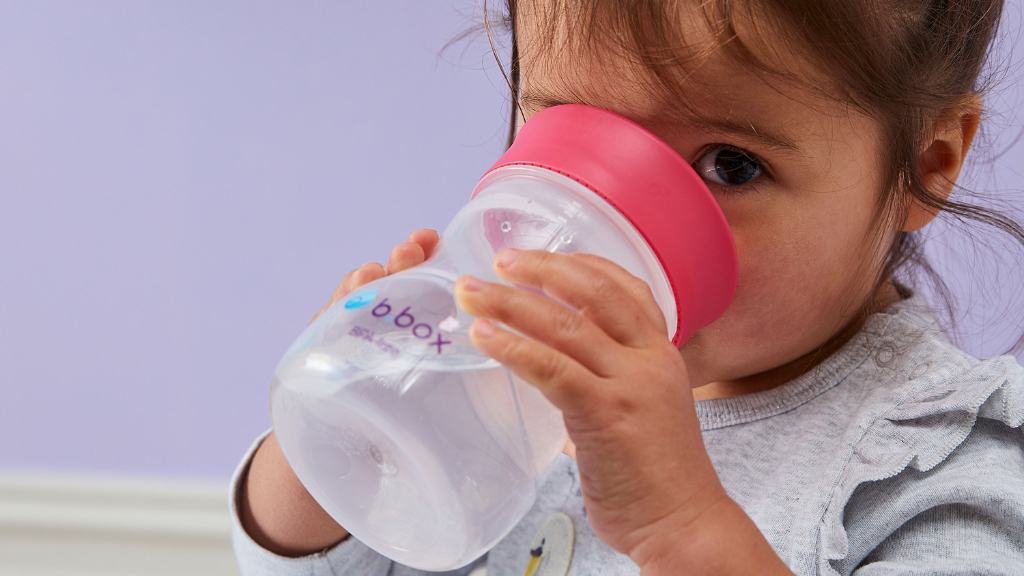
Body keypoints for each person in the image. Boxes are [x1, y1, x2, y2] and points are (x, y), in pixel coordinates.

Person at [231, 0, 1024, 574]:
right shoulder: (512, 373)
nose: (609, 215)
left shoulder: (935, 461)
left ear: (927, 162)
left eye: (730, 165)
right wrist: (339, 429)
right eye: (571, 127)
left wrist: (684, 530)